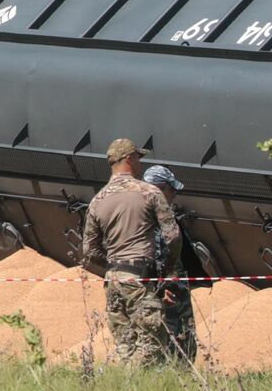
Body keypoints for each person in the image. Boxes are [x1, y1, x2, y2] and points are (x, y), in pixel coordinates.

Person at [81, 139, 181, 366]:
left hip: (113, 280)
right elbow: (173, 236)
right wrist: (166, 271)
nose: (140, 164)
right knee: (153, 344)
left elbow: (89, 251)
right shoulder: (149, 192)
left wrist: (114, 268)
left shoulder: (98, 200)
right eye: (138, 158)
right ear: (129, 159)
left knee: (125, 346)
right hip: (141, 277)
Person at [142, 164, 197, 363]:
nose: (174, 194)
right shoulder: (152, 219)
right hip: (169, 291)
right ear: (159, 189)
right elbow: (155, 256)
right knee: (179, 340)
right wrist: (160, 286)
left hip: (168, 288)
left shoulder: (141, 215)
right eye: (170, 189)